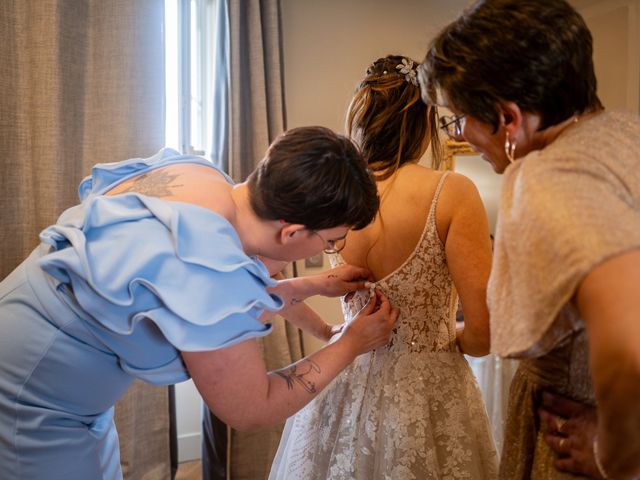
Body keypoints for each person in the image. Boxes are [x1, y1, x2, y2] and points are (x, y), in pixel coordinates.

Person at [0, 126, 400, 479]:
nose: (331, 248)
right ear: (293, 233)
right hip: (32, 397)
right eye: (331, 241)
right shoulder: (212, 268)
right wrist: (349, 344)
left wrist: (314, 285)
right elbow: (251, 407)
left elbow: (203, 292)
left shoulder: (205, 180)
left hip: (35, 342)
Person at [419, 1, 640, 478]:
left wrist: (618, 446)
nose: (461, 134)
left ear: (507, 118)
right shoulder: (627, 134)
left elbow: (628, 315)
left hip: (574, 446)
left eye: (458, 118)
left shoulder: (544, 177)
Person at [269, 54, 498, 479]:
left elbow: (264, 280)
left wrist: (326, 331)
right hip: (430, 392)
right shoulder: (453, 192)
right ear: (425, 119)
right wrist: (441, 339)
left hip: (344, 369)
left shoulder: (340, 197)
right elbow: (483, 336)